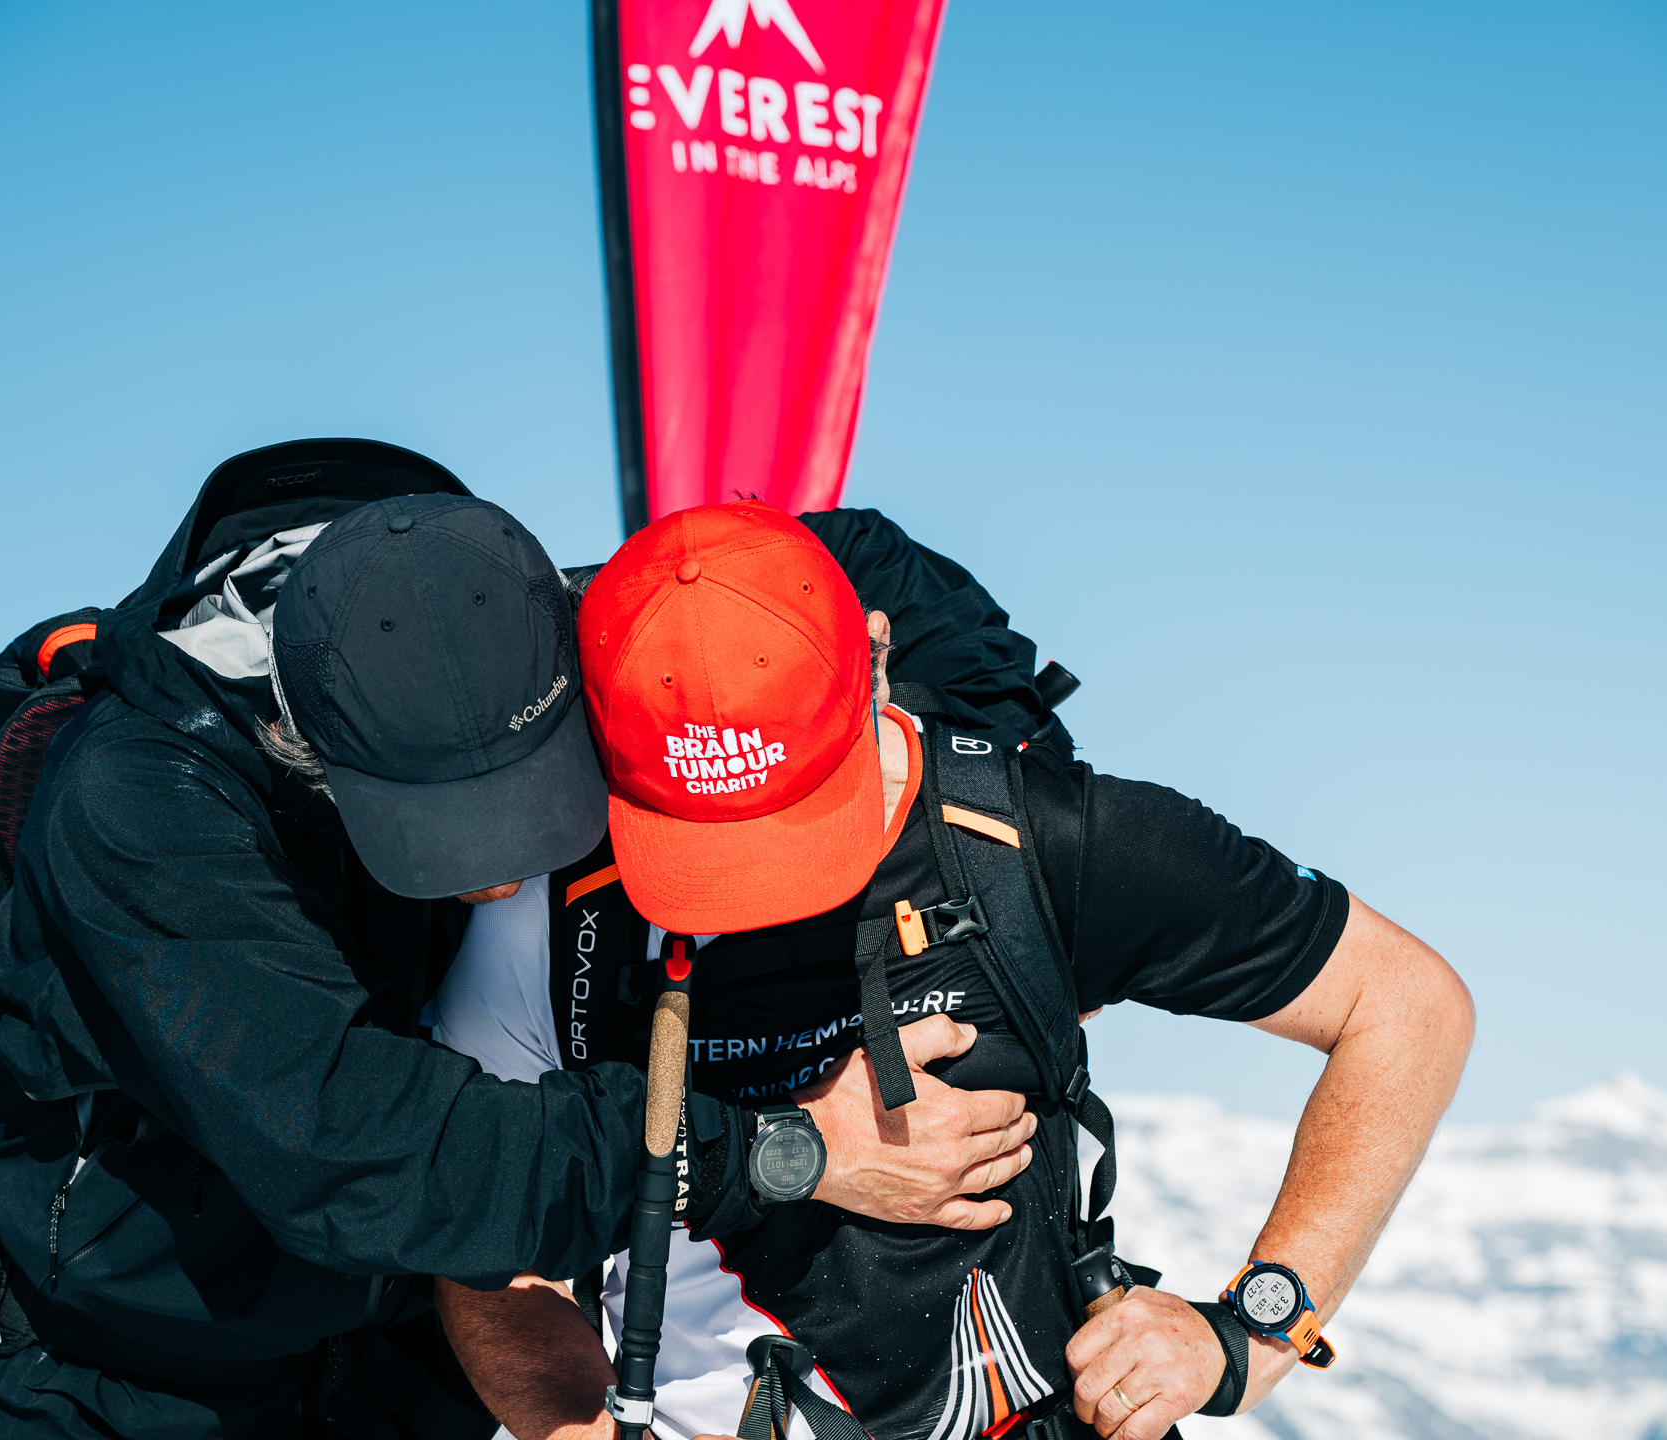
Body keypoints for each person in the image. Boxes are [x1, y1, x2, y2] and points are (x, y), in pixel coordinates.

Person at [0, 441, 1042, 1440]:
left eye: (535, 798)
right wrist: (785, 1147)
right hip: (87, 1377)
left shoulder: (496, 623)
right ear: (307, 743)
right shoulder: (144, 808)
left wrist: (987, 811)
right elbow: (369, 1152)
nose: (499, 868)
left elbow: (861, 568)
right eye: (435, 835)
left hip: (394, 1368)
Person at [436, 502, 1475, 1440]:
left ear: (875, 662)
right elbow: (483, 1234)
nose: (758, 894)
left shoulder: (1049, 838)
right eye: (705, 845)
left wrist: (1255, 1329)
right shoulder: (553, 914)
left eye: (799, 820)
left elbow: (1405, 1006)